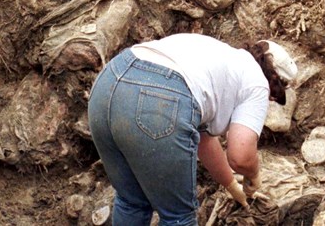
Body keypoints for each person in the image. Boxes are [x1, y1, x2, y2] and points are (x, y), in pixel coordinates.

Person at [87, 34, 298, 226]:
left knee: (132, 201)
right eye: (274, 96)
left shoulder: (222, 57)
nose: (270, 100)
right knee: (179, 218)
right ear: (275, 83)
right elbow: (241, 157)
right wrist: (253, 175)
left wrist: (231, 184)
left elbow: (204, 141)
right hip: (156, 101)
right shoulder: (258, 83)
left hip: (108, 85)